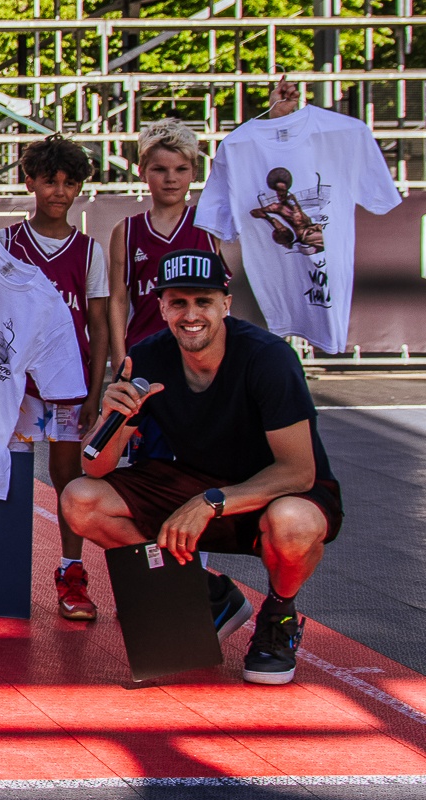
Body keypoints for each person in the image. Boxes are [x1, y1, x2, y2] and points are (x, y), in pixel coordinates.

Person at [61, 251, 342, 686]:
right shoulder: (146, 357)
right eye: (178, 302)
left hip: (274, 491)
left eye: (203, 302)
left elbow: (298, 471)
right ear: (161, 308)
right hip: (197, 485)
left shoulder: (268, 358)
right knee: (80, 500)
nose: (190, 315)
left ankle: (278, 617)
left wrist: (210, 502)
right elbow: (93, 469)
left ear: (225, 305)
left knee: (294, 522)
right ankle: (206, 597)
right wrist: (110, 418)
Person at [0, 136, 109, 622]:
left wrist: (95, 391)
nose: (59, 191)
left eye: (69, 182)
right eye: (49, 181)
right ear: (30, 183)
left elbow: (99, 325)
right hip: (19, 387)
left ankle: (71, 571)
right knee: (13, 475)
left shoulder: (89, 251)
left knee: (67, 477)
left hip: (67, 386)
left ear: (79, 188)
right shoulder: (7, 243)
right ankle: (4, 572)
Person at [107, 118, 218, 359]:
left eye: (181, 169)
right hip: (145, 352)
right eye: (160, 169)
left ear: (194, 171)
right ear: (142, 172)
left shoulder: (210, 226)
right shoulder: (127, 231)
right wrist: (118, 358)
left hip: (201, 355)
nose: (171, 178)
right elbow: (117, 301)